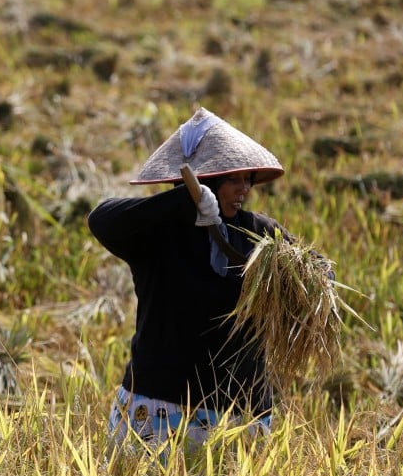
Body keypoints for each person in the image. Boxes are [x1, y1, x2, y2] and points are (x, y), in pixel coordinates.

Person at [87, 107, 319, 453]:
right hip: (159, 405)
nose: (244, 189)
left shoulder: (261, 235)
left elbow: (316, 273)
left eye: (248, 179)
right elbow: (101, 220)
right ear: (205, 180)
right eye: (232, 179)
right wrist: (184, 202)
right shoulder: (158, 232)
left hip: (239, 410)